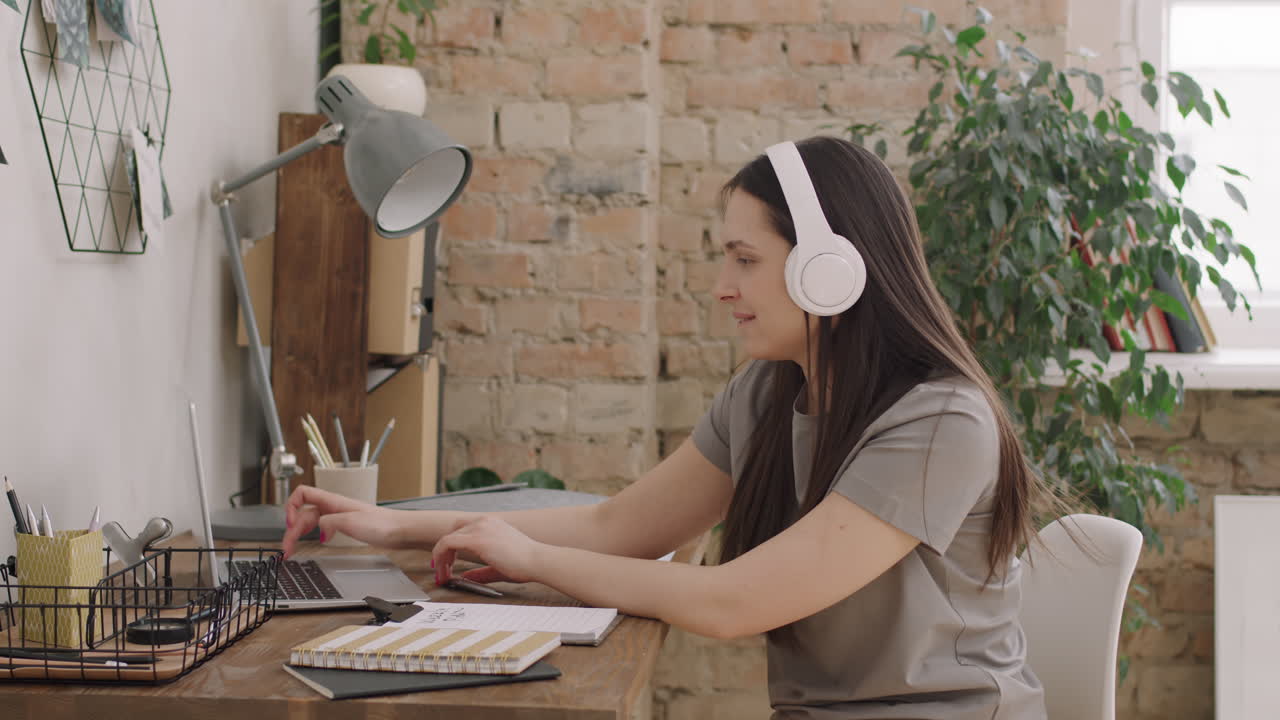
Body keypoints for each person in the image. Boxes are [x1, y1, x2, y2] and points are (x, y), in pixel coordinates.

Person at [282, 136, 1048, 719]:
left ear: (831, 270)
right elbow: (622, 525)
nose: (723, 288)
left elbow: (730, 603)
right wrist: (391, 528)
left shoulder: (941, 420)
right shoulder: (766, 394)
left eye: (744, 260)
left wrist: (532, 559)